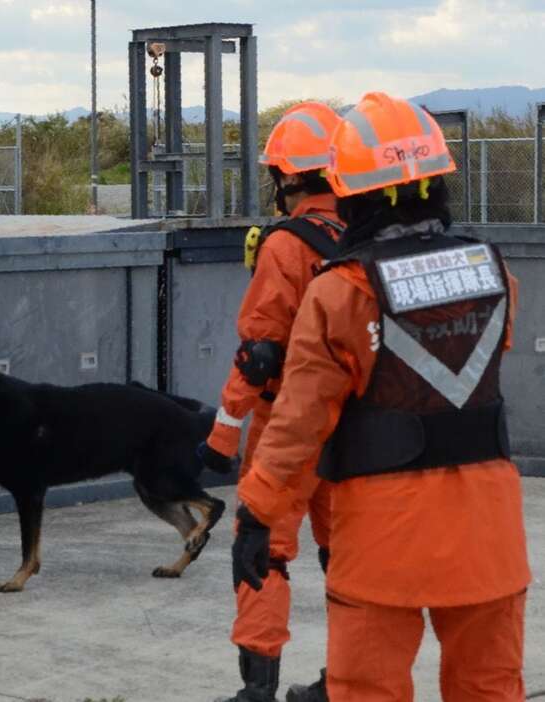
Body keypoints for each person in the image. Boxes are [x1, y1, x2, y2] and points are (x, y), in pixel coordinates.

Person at [232, 92, 530, 701]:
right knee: (490, 688)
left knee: (367, 690)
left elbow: (297, 425)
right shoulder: (497, 275)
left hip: (381, 540)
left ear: (351, 190)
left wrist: (255, 514)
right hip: (490, 537)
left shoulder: (342, 293)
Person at [199, 102, 343, 702]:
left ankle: (258, 690)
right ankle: (349, 682)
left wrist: (222, 437)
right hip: (354, 427)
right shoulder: (362, 239)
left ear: (286, 178)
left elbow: (259, 353)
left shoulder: (286, 247)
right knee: (350, 556)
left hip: (288, 428)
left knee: (263, 550)